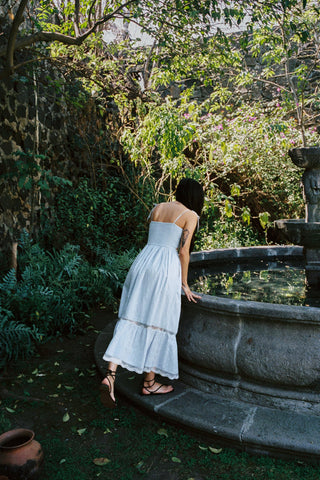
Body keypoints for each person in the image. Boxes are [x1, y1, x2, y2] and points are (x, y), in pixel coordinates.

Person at [100, 178, 204, 408]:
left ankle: (110, 375)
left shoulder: (157, 208)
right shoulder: (191, 215)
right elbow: (183, 252)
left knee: (130, 317)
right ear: (196, 197)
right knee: (159, 321)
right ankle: (149, 382)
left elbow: (152, 238)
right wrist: (184, 283)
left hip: (142, 263)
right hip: (164, 268)